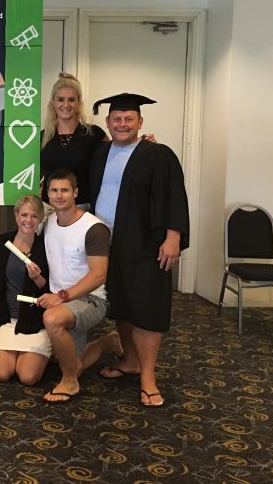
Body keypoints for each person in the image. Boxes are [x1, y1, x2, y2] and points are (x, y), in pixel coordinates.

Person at [90, 93, 189, 407]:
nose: (122, 124)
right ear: (108, 123)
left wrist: (173, 236)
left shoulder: (157, 154)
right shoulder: (101, 151)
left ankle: (148, 376)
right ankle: (129, 360)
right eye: (116, 119)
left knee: (146, 309)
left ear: (140, 122)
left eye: (128, 119)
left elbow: (174, 196)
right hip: (107, 242)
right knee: (121, 303)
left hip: (146, 244)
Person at [37, 170, 117, 403]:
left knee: (52, 320)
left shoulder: (94, 228)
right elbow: (25, 230)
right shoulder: (50, 221)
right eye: (54, 190)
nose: (59, 196)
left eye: (65, 190)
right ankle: (107, 342)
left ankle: (70, 382)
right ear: (47, 194)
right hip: (63, 301)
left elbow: (99, 275)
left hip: (91, 299)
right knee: (76, 362)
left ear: (75, 193)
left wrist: (61, 297)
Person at [0, 195, 51, 386]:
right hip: (7, 318)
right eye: (24, 215)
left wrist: (37, 278)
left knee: (27, 377)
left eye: (34, 216)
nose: (28, 220)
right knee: (1, 374)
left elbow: (52, 291)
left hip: (33, 320)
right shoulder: (0, 242)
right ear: (16, 215)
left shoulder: (46, 247)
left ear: (40, 219)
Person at [39, 73, 107, 206]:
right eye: (60, 99)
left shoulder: (94, 135)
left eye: (71, 99)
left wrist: (141, 145)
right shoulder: (42, 137)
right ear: (53, 102)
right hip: (49, 209)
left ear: (79, 102)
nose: (66, 104)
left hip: (82, 209)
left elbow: (116, 157)